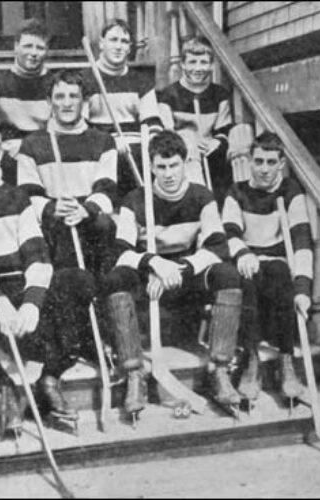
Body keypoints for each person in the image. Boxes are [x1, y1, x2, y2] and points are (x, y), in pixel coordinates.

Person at [0, 118, 97, 435]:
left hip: (19, 285)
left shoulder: (16, 198)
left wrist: (31, 304)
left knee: (76, 281)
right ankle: (2, 385)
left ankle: (49, 379)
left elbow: (37, 255)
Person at [104, 130, 243, 421]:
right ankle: (134, 374)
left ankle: (218, 369)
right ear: (151, 167)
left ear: (185, 163)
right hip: (150, 276)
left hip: (185, 274)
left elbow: (218, 245)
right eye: (161, 167)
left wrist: (180, 267)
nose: (168, 174)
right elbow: (120, 251)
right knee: (117, 278)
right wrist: (155, 263)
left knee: (227, 274)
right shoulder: (135, 200)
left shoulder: (201, 196)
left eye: (174, 165)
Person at [221, 130, 313, 407]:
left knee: (279, 274)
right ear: (250, 161)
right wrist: (244, 253)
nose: (263, 169)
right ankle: (252, 361)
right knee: (246, 279)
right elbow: (229, 232)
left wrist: (304, 290)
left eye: (271, 162)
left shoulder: (291, 191)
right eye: (258, 161)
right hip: (247, 259)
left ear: (281, 163)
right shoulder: (236, 191)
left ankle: (286, 360)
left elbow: (301, 243)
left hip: (277, 264)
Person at [17, 69, 118, 294]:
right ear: (48, 101)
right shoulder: (33, 144)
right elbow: (27, 194)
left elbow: (108, 190)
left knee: (104, 225)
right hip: (53, 220)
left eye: (74, 96)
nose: (67, 103)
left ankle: (101, 299)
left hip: (88, 217)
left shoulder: (103, 141)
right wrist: (53, 208)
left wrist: (85, 210)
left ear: (84, 101)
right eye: (59, 97)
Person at [81, 18, 163, 200]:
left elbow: (152, 123)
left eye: (124, 42)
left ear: (130, 48)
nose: (119, 46)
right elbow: (81, 125)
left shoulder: (141, 82)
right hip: (99, 144)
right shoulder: (84, 80)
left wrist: (150, 144)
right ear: (102, 44)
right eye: (113, 40)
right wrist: (110, 143)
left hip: (135, 145)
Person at [156, 36, 234, 209]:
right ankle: (198, 202)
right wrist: (187, 142)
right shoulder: (168, 95)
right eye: (192, 62)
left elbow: (224, 129)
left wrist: (217, 142)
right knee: (188, 138)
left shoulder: (219, 95)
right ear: (183, 64)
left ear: (212, 65)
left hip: (212, 156)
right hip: (183, 159)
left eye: (204, 62)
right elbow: (167, 133)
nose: (198, 68)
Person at [0, 18, 53, 165]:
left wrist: (27, 146)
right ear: (16, 46)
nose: (33, 53)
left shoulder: (56, 83)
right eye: (28, 46)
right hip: (10, 151)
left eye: (39, 48)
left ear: (46, 51)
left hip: (45, 150)